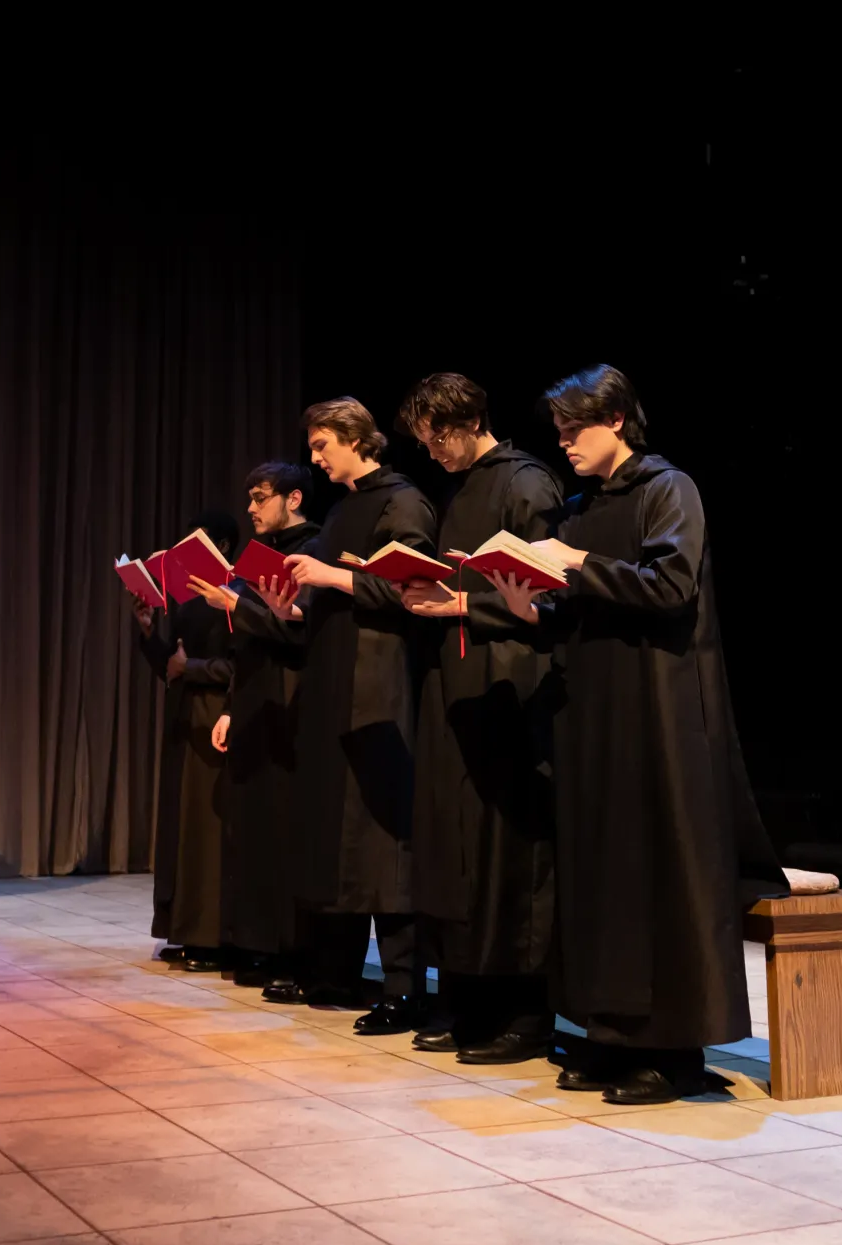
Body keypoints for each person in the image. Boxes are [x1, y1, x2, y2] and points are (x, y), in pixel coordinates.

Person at [487, 365, 785, 1104]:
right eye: (556, 431)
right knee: (600, 877)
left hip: (658, 713)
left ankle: (675, 1054)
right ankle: (609, 1036)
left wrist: (577, 562)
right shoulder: (584, 505)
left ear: (616, 417)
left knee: (656, 877)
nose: (563, 444)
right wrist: (530, 604)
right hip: (591, 715)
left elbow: (670, 584)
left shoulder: (667, 487)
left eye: (572, 429)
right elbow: (576, 609)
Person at [251, 399, 435, 1031]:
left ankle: (405, 987)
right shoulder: (341, 510)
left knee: (381, 843)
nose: (316, 456)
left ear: (358, 439)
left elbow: (408, 590)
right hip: (333, 680)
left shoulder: (402, 502)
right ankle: (336, 970)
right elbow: (328, 600)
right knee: (338, 839)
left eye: (324, 443)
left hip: (377, 686)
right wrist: (289, 608)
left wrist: (328, 576)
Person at [395, 372, 563, 1063]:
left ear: (466, 421)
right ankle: (468, 999)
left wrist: (466, 605)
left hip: (512, 690)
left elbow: (550, 597)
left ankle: (526, 1014)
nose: (431, 452)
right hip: (455, 684)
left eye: (436, 438)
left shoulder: (527, 484)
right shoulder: (458, 489)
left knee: (507, 853)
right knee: (456, 851)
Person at [198, 463, 324, 991]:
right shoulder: (257, 557)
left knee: (287, 833)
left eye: (260, 497)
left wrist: (233, 604)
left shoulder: (314, 549)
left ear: (293, 498)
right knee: (252, 833)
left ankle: (294, 954)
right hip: (254, 700)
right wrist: (229, 704)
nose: (251, 509)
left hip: (292, 703)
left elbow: (301, 635)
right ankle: (256, 945)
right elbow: (247, 645)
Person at [132, 511, 236, 971]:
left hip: (215, 717)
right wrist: (149, 629)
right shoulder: (190, 602)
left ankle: (210, 936)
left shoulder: (238, 595)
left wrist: (189, 669)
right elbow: (167, 666)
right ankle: (180, 927)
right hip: (183, 716)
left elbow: (242, 668)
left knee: (204, 833)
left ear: (225, 548)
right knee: (179, 828)